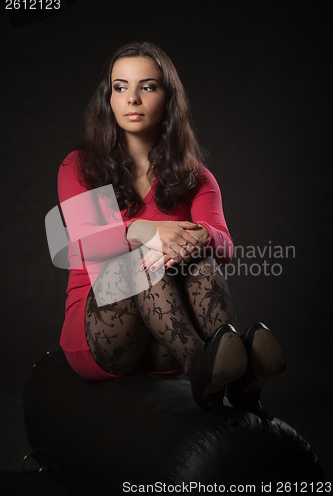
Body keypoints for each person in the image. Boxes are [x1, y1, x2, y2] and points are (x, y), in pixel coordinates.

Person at [57, 41, 286, 417]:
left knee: (201, 259)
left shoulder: (196, 176)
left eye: (147, 86)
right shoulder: (78, 166)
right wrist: (145, 231)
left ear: (168, 97)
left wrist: (201, 237)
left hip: (168, 339)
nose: (132, 98)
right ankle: (211, 365)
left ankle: (232, 374)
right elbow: (82, 245)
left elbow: (226, 247)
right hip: (101, 338)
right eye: (120, 87)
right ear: (108, 99)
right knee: (147, 257)